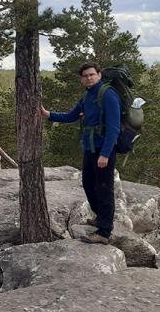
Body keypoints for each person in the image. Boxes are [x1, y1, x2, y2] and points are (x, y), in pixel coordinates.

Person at [41, 62, 121, 245]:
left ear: (99, 75)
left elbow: (114, 128)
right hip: (90, 147)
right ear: (81, 79)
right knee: (88, 184)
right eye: (85, 76)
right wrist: (47, 114)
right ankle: (101, 217)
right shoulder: (87, 96)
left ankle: (104, 232)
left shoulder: (107, 95)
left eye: (92, 74)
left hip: (103, 149)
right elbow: (71, 116)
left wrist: (106, 154)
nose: (89, 78)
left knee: (104, 188)